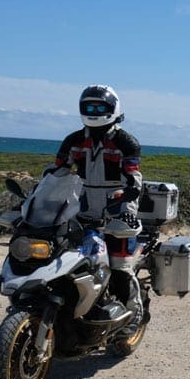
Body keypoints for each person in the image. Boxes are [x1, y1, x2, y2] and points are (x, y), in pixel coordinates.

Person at [49, 84, 145, 336]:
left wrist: (123, 203)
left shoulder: (125, 142)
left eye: (99, 107)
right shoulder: (74, 140)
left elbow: (133, 180)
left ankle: (132, 315)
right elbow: (57, 172)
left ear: (113, 109)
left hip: (118, 209)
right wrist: (39, 196)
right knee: (62, 259)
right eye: (89, 106)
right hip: (81, 209)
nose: (93, 111)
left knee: (120, 266)